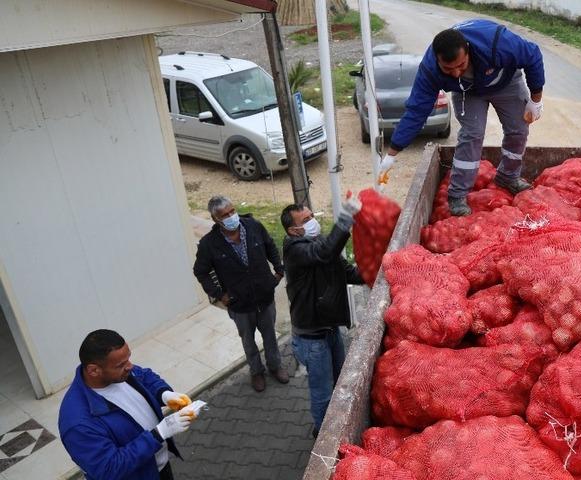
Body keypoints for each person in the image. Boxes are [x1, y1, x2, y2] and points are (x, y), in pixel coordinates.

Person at [379, 19, 546, 216]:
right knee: (472, 134)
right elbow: (417, 110)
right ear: (437, 60)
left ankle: (508, 177)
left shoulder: (496, 43)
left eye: (461, 65)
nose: (456, 72)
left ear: (468, 50)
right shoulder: (430, 69)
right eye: (448, 70)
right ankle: (457, 194)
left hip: (505, 81)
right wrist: (392, 152)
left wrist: (535, 100)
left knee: (518, 129)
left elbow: (532, 54)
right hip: (467, 92)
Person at [59, 329, 194, 480]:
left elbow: (144, 376)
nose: (130, 366)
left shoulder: (120, 373)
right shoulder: (77, 424)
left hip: (157, 468)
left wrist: (163, 394)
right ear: (94, 370)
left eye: (128, 358)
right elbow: (109, 469)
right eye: (121, 364)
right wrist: (159, 434)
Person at [280, 197, 364, 436]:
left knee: (341, 381)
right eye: (305, 220)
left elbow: (347, 271)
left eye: (311, 216)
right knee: (322, 394)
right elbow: (324, 252)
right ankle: (324, 435)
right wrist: (346, 218)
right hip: (311, 340)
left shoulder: (316, 242)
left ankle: (341, 423)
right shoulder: (295, 250)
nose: (312, 222)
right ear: (293, 230)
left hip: (330, 330)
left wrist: (374, 269)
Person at [193, 195, 289, 392]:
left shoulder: (253, 226)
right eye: (225, 215)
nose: (231, 217)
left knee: (270, 335)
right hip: (239, 305)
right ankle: (256, 372)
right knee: (248, 340)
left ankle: (275, 366)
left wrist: (278, 270)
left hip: (264, 296)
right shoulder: (209, 244)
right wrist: (220, 295)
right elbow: (200, 272)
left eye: (232, 211)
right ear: (215, 219)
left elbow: (270, 246)